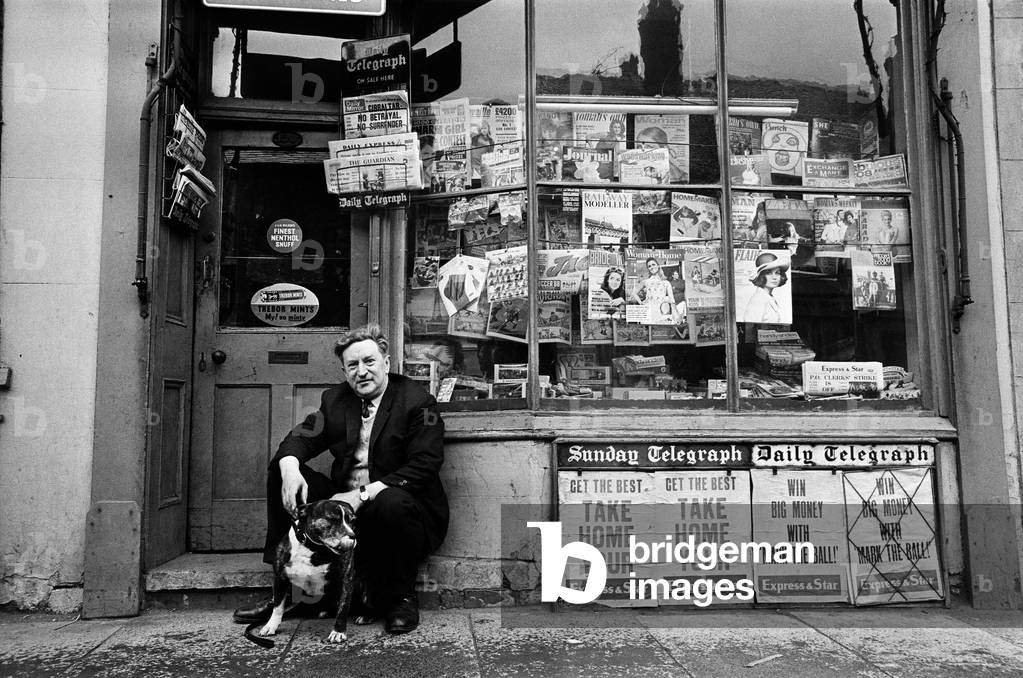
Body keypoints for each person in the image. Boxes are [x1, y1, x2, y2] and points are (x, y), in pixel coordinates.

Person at [233, 324, 447, 635]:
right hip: (343, 507)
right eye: (352, 365)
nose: (362, 371)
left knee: (392, 501)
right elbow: (300, 438)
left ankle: (400, 596)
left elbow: (425, 464)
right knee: (281, 470)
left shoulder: (417, 401)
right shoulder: (335, 400)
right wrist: (290, 467)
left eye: (369, 362)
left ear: (386, 363)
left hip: (395, 508)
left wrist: (362, 494)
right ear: (344, 371)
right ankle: (285, 588)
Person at [741, 252, 789, 324]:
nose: (774, 277)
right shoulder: (758, 300)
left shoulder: (768, 297)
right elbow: (750, 328)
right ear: (761, 276)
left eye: (777, 273)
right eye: (769, 273)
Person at [630, 257, 678, 324]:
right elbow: (634, 293)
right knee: (648, 331)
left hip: (661, 311)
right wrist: (641, 303)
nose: (651, 267)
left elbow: (672, 300)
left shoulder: (666, 283)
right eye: (649, 266)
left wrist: (674, 313)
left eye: (653, 264)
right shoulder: (646, 282)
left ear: (658, 265)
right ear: (648, 269)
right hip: (649, 311)